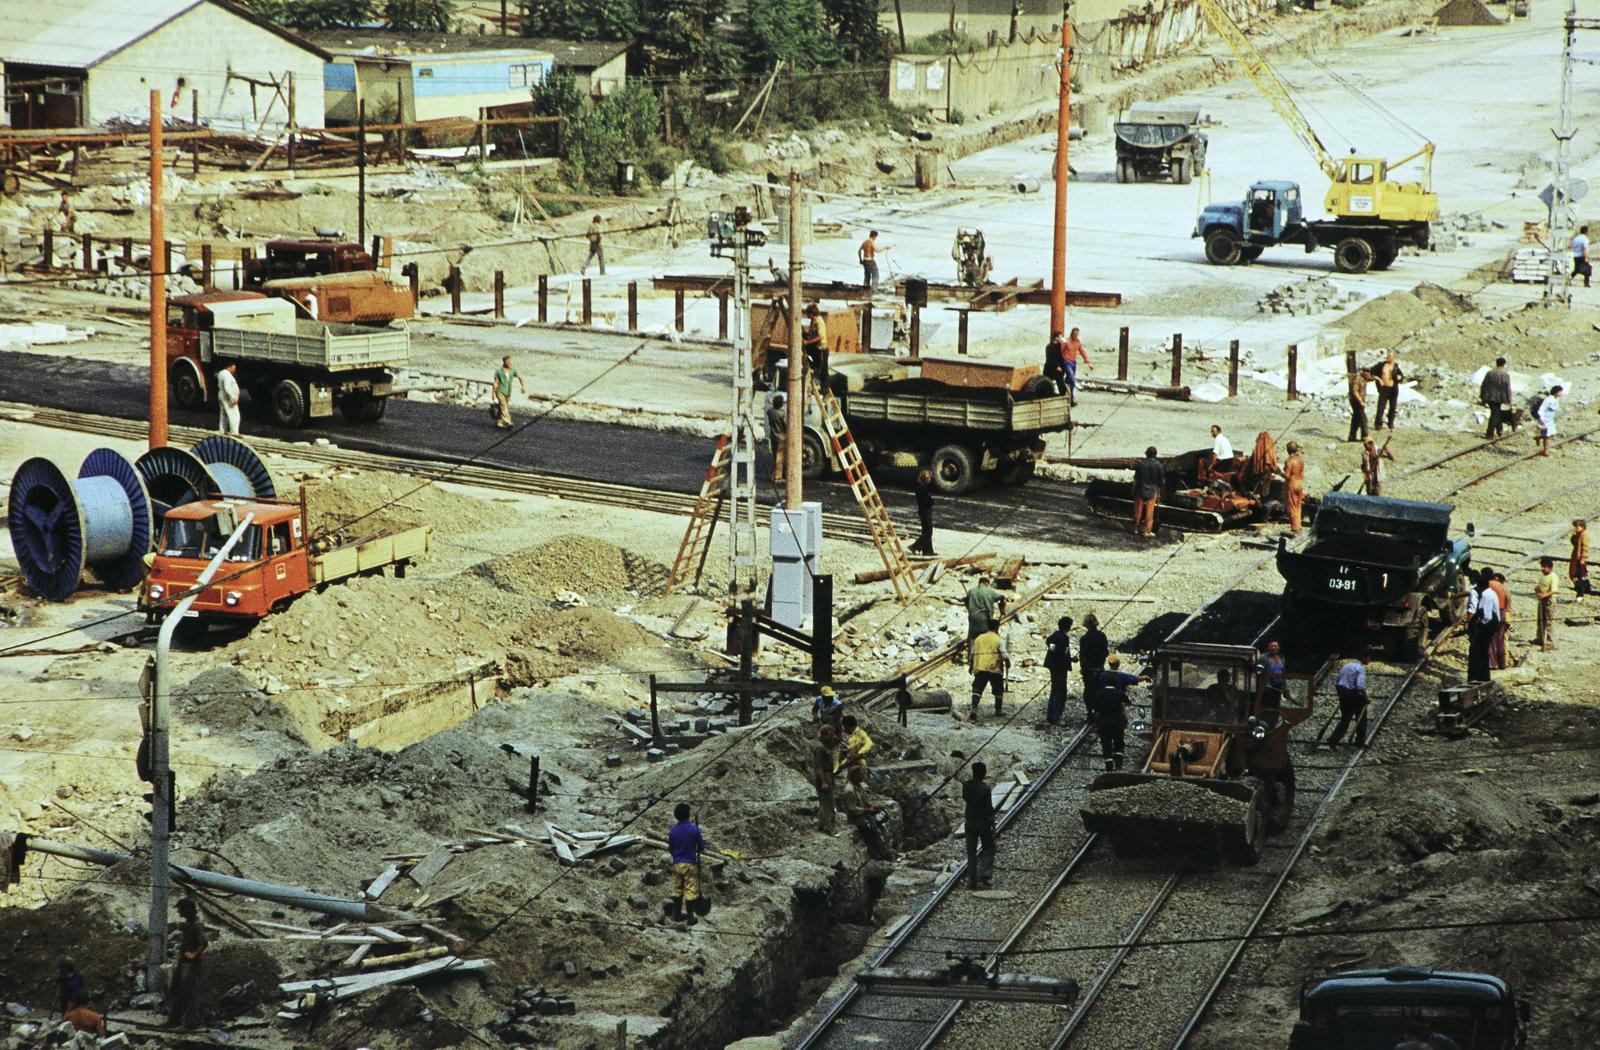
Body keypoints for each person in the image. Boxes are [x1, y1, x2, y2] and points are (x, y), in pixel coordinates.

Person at [1091, 655, 1144, 770]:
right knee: (1119, 741)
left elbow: (1094, 705)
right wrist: (1144, 677)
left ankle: (1108, 766)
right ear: (1118, 664)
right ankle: (1118, 765)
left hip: (1103, 719)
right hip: (1116, 717)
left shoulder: (1101, 681)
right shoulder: (1120, 685)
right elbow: (1129, 697)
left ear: (1108, 664)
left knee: (1106, 743)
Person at [167, 896, 207, 1028]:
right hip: (183, 963)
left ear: (186, 910)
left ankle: (190, 1023)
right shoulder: (190, 925)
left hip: (191, 965)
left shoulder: (197, 925)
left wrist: (193, 954)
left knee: (190, 993)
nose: (178, 912)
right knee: (177, 991)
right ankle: (174, 1021)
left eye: (180, 909)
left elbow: (204, 943)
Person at [666, 802, 709, 924]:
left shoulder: (673, 831)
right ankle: (690, 916)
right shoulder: (694, 830)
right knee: (690, 889)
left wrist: (677, 857)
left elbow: (671, 849)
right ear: (688, 815)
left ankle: (677, 914)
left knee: (677, 889)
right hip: (690, 863)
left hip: (676, 863)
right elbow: (701, 847)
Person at [962, 762, 996, 889]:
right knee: (988, 847)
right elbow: (989, 809)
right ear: (983, 773)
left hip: (970, 822)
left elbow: (965, 797)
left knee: (971, 851)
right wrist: (993, 824)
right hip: (983, 823)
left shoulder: (967, 786)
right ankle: (985, 874)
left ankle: (972, 880)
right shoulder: (985, 788)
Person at [1326, 653, 1369, 748]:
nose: (1369, 660)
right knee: (1361, 717)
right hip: (1353, 694)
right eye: (1368, 658)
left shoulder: (1346, 666)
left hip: (1343, 693)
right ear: (1364, 658)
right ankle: (1360, 741)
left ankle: (1334, 739)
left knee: (1345, 719)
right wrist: (1366, 698)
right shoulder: (1360, 668)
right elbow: (1360, 686)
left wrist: (1341, 695)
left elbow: (1337, 682)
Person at [1465, 568, 1501, 683]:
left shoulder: (1481, 594)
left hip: (1483, 627)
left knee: (1475, 652)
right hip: (1492, 627)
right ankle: (1484, 678)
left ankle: (1475, 678)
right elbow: (1496, 613)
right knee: (1484, 652)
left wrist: (1473, 625)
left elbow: (1484, 615)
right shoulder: (1493, 593)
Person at [969, 618, 1008, 720]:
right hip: (994, 669)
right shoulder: (998, 640)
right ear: (997, 627)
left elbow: (973, 653)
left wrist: (971, 665)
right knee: (998, 689)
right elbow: (1004, 654)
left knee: (977, 689)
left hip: (980, 667)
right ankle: (998, 710)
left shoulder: (978, 639)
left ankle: (974, 709)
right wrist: (1008, 662)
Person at [837, 714, 874, 808]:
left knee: (860, 787)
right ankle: (853, 807)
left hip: (859, 764)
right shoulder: (851, 737)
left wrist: (860, 752)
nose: (845, 730)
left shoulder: (861, 733)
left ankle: (863, 807)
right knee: (851, 787)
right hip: (851, 764)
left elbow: (869, 743)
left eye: (845, 727)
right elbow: (850, 755)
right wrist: (841, 765)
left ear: (849, 726)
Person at [1043, 616, 1074, 725]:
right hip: (1060, 668)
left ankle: (1050, 715)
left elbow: (1050, 645)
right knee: (1061, 692)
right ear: (1068, 627)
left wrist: (1054, 654)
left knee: (1054, 690)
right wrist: (1072, 659)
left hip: (1053, 666)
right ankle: (1056, 717)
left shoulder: (1054, 635)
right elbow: (1064, 654)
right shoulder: (1064, 638)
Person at [964, 576, 1004, 659]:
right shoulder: (990, 591)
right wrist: (1002, 609)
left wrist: (970, 610)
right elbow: (1001, 598)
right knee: (986, 637)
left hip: (973, 618)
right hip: (985, 618)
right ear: (986, 583)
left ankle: (970, 659)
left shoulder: (971, 591)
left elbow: (966, 601)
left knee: (972, 638)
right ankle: (984, 658)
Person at [1078, 613, 1109, 721]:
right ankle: (1099, 712)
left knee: (1088, 692)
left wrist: (1084, 667)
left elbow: (1082, 656)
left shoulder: (1084, 638)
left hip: (1089, 670)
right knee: (1099, 690)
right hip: (1100, 668)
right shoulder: (1102, 636)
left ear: (1086, 625)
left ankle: (1091, 713)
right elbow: (1106, 652)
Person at [1132, 446, 1163, 537]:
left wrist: (1133, 490)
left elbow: (1136, 478)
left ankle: (1135, 528)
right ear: (1155, 455)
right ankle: (1147, 530)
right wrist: (1159, 492)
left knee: (1138, 510)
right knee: (1150, 512)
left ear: (1146, 454)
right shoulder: (1159, 466)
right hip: (1152, 491)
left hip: (1140, 489)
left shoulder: (1141, 464)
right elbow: (1161, 481)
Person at [1479, 357, 1514, 438]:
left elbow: (1484, 385)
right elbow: (1507, 388)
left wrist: (1482, 398)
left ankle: (1499, 431)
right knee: (1495, 415)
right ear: (1504, 364)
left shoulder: (1489, 373)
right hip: (1499, 398)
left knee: (1496, 413)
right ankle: (1489, 433)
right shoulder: (1505, 375)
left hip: (1489, 397)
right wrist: (1509, 400)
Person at [812, 725, 838, 834]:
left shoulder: (826, 745)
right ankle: (828, 828)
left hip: (829, 775)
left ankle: (822, 826)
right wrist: (823, 782)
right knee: (828, 803)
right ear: (825, 734)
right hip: (824, 776)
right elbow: (818, 767)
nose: (833, 737)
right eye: (831, 735)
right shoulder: (820, 748)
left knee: (826, 801)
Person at [492, 355, 526, 430]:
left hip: (508, 392)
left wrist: (522, 386)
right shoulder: (499, 371)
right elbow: (496, 383)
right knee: (504, 407)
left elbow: (520, 377)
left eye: (510, 361)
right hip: (500, 391)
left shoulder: (513, 370)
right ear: (504, 362)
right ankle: (509, 422)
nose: (510, 363)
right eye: (508, 361)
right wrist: (493, 394)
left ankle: (499, 422)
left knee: (503, 407)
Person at [1372, 350, 1404, 430]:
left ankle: (1390, 422)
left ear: (1393, 358)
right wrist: (1379, 380)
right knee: (1381, 407)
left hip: (1393, 389)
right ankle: (1378, 424)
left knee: (1393, 407)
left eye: (1391, 356)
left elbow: (1401, 376)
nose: (1389, 357)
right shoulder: (1382, 365)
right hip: (1384, 389)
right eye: (1388, 356)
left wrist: (1399, 377)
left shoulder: (1396, 367)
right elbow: (1372, 372)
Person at [1488, 571, 1512, 670]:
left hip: (1492, 612)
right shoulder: (1503, 588)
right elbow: (1508, 601)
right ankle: (1502, 663)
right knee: (1501, 639)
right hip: (1502, 612)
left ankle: (1492, 664)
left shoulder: (1489, 584)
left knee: (1492, 640)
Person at [1062, 326, 1091, 405]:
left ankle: (1068, 395)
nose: (1076, 336)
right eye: (1075, 334)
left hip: (1073, 362)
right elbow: (1060, 350)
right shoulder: (1066, 341)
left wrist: (1087, 361)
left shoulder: (1078, 342)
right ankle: (1070, 396)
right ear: (1072, 333)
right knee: (1072, 378)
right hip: (1067, 362)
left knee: (1069, 380)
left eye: (1077, 334)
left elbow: (1082, 351)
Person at [1281, 442, 1307, 532]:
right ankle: (1298, 526)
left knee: (1292, 506)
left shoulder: (1289, 461)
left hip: (1292, 484)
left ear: (1288, 450)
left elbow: (1287, 476)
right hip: (1300, 483)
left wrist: (1278, 471)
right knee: (1298, 505)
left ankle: (1295, 528)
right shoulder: (1300, 459)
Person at [910, 469, 936, 556]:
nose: (929, 480)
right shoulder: (921, 488)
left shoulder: (922, 487)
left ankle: (928, 551)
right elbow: (927, 500)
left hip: (925, 510)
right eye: (928, 478)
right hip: (924, 511)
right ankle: (915, 546)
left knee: (926, 531)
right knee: (928, 532)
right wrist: (931, 500)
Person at [1535, 555, 1558, 651]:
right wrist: (1537, 591)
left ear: (1549, 567)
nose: (1542, 569)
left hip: (1549, 601)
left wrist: (1544, 595)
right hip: (1541, 601)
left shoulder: (1553, 577)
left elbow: (1554, 591)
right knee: (1540, 620)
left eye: (1544, 567)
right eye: (1542, 566)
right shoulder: (1542, 576)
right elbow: (1539, 587)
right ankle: (1540, 638)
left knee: (1548, 621)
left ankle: (1549, 642)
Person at [801, 303, 828, 376]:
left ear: (812, 313)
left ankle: (823, 385)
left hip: (821, 349)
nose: (807, 316)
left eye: (808, 314)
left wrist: (807, 342)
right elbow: (812, 334)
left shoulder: (819, 322)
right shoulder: (812, 322)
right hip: (815, 348)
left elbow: (820, 337)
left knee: (822, 371)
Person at [767, 393, 788, 484]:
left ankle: (774, 473)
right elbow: (786, 425)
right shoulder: (782, 413)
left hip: (773, 435)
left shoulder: (770, 411)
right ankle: (777, 477)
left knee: (775, 455)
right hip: (781, 436)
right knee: (780, 457)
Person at [1536, 384, 1563, 456]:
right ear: (1556, 392)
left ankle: (1539, 437)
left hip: (1550, 419)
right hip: (1544, 419)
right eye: (1560, 392)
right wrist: (1542, 419)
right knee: (1547, 436)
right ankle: (1546, 451)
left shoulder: (1555, 399)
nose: (1561, 393)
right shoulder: (1548, 399)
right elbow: (1541, 409)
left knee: (1550, 434)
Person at [1258, 640, 1287, 705]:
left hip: (1278, 687)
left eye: (1275, 646)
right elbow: (1259, 672)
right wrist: (1265, 684)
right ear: (1268, 647)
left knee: (1276, 704)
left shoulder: (1281, 658)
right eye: (1271, 646)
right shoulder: (1263, 658)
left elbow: (1283, 673)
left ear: (1278, 647)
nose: (1273, 648)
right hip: (1267, 687)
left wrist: (1284, 687)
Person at [1348, 368, 1372, 443]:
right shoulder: (1358, 380)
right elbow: (1355, 392)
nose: (1369, 376)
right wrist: (1361, 401)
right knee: (1363, 419)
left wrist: (1379, 379)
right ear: (1364, 373)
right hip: (1356, 400)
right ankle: (1365, 436)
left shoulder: (1365, 378)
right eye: (1368, 374)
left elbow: (1372, 378)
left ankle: (1352, 436)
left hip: (1360, 400)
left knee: (1356, 419)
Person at [216, 362, 240, 435]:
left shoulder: (221, 373)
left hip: (221, 394)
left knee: (223, 414)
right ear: (229, 367)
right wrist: (233, 398)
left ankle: (222, 430)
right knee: (234, 414)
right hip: (227, 397)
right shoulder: (227, 375)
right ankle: (234, 432)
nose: (234, 369)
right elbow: (227, 387)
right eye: (234, 368)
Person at [1570, 518, 1590, 602]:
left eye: (1579, 526)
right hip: (1575, 557)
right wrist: (1574, 534)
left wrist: (1583, 558)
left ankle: (1580, 593)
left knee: (1579, 576)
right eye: (1576, 526)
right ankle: (1586, 588)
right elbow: (1573, 542)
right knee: (1574, 574)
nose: (1577, 527)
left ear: (1583, 527)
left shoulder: (1584, 534)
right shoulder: (1577, 534)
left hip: (1579, 558)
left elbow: (1585, 547)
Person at [1043, 330, 1067, 396]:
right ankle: (1063, 396)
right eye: (1060, 337)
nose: (1061, 339)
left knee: (1061, 382)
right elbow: (1050, 358)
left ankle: (1063, 396)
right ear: (1056, 338)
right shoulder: (1049, 347)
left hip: (1060, 368)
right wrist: (1057, 366)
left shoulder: (1060, 346)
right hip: (1051, 369)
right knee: (1058, 383)